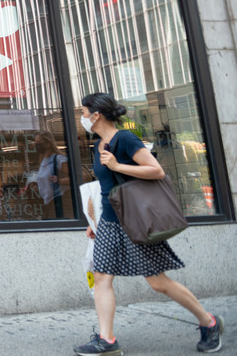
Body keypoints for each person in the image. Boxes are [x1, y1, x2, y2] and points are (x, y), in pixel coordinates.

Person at [73, 92, 223, 355]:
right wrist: (94, 221)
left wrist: (119, 166)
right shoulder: (98, 145)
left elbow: (156, 170)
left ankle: (209, 322)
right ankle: (107, 340)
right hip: (109, 220)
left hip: (135, 220)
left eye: (84, 112)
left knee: (157, 282)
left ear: (96, 115)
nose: (82, 117)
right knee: (101, 277)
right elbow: (105, 187)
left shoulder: (125, 139)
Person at [31, 130, 68, 219]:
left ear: (48, 143)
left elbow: (78, 177)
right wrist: (37, 187)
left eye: (39, 142)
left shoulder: (59, 159)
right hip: (47, 203)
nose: (36, 145)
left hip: (58, 202)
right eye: (35, 142)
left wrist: (59, 181)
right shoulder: (43, 160)